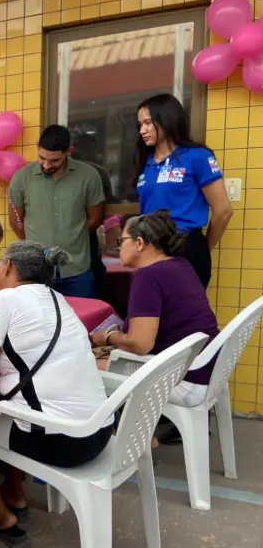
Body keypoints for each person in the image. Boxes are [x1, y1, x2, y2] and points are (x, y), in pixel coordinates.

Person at [0, 242, 113, 548]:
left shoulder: (6, 298)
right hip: (99, 431)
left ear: (9, 267)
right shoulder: (57, 298)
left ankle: (0, 517)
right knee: (3, 406)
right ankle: (16, 492)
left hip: (64, 443)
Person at [91, 211, 219, 441]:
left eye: (122, 241)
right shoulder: (180, 265)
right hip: (203, 368)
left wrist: (109, 336)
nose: (119, 247)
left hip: (183, 378)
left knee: (82, 366)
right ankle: (136, 430)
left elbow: (140, 344)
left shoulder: (148, 276)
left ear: (139, 243)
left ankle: (126, 436)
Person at [135, 93, 233, 288]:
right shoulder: (145, 161)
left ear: (166, 120)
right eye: (140, 125)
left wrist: (203, 248)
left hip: (185, 245)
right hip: (149, 247)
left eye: (147, 123)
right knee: (151, 311)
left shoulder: (196, 156)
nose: (142, 130)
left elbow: (223, 210)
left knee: (183, 314)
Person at [8, 125, 105, 298]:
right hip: (38, 271)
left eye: (54, 161)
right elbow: (16, 221)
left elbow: (96, 218)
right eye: (42, 158)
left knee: (82, 320)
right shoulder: (21, 178)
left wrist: (73, 236)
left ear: (69, 151)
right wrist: (35, 245)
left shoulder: (89, 176)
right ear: (38, 147)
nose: (46, 165)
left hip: (77, 270)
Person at [73, 132, 113, 301]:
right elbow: (106, 204)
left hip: (86, 233)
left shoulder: (96, 172)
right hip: (86, 234)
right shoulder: (99, 171)